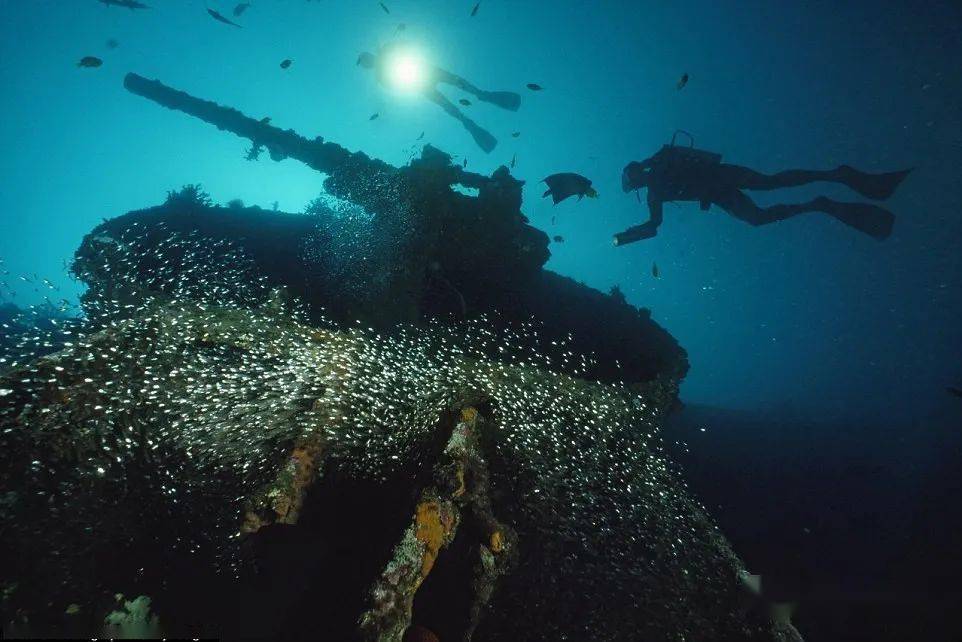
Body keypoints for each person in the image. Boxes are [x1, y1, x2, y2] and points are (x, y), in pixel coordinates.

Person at [615, 131, 911, 246]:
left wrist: (639, 231)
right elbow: (655, 224)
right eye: (635, 182)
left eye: (635, 178)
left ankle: (834, 175)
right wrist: (632, 235)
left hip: (723, 177)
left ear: (638, 172)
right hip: (720, 193)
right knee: (757, 217)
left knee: (771, 182)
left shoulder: (663, 162)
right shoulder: (656, 193)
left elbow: (656, 221)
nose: (640, 180)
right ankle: (818, 203)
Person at [357, 43, 521, 153]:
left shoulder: (384, 56)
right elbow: (396, 85)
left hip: (423, 74)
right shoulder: (381, 70)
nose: (367, 63)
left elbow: (405, 52)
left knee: (455, 85)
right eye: (365, 63)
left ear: (368, 59)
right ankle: (470, 113)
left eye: (365, 61)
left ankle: (479, 99)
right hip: (420, 80)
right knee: (450, 95)